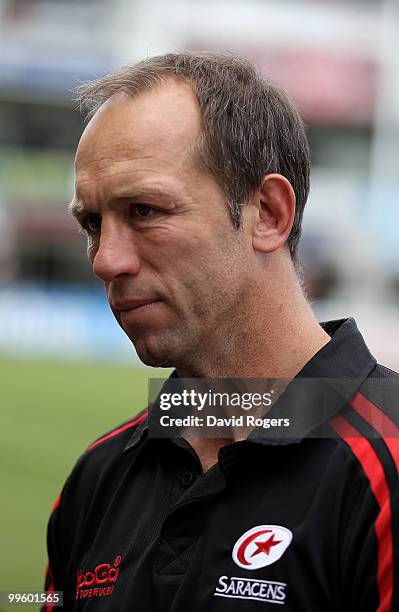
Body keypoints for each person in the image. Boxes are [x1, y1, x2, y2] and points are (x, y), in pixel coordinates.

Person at [43, 52, 399, 611]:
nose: (106, 260)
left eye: (144, 210)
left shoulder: (387, 468)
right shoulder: (99, 476)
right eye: (92, 223)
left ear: (268, 214)